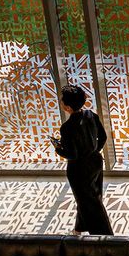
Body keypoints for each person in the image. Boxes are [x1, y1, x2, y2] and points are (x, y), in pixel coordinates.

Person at [51, 84, 110, 235]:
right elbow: (103, 137)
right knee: (90, 197)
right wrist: (93, 150)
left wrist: (58, 149)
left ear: (68, 107)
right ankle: (79, 228)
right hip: (96, 162)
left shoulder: (67, 127)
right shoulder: (91, 115)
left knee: (89, 202)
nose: (61, 103)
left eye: (62, 101)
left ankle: (105, 237)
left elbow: (72, 154)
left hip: (79, 169)